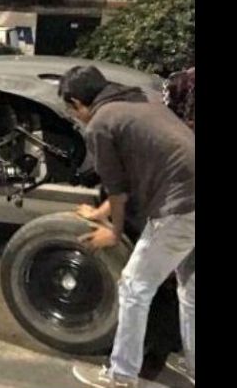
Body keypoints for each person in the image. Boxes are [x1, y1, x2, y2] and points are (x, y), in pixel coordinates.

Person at [57, 66, 195, 388]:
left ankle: (121, 375)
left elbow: (117, 189)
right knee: (191, 289)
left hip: (182, 206)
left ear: (77, 102)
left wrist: (114, 232)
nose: (75, 117)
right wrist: (101, 212)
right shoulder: (142, 102)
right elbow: (129, 180)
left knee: (134, 286)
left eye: (72, 110)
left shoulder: (101, 124)